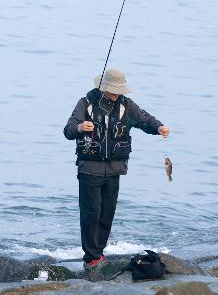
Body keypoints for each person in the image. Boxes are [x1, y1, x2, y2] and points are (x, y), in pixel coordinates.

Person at [63, 68, 170, 268]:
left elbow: (145, 120)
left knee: (107, 214)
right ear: (103, 88)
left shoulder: (126, 105)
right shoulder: (85, 103)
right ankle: (91, 257)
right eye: (113, 90)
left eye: (119, 90)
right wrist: (80, 128)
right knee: (91, 213)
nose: (116, 93)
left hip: (114, 169)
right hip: (89, 169)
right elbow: (68, 131)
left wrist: (158, 128)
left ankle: (99, 252)